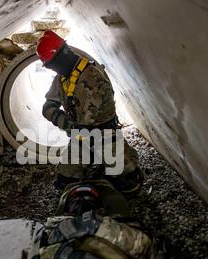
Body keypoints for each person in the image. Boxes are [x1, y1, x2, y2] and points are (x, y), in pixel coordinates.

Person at [36, 30, 143, 194]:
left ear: (61, 56)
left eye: (50, 65)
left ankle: (113, 165)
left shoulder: (92, 77)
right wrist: (68, 125)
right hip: (80, 133)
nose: (51, 70)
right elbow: (48, 107)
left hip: (104, 134)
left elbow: (88, 124)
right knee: (64, 182)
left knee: (128, 184)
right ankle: (96, 165)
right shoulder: (63, 77)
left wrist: (71, 128)